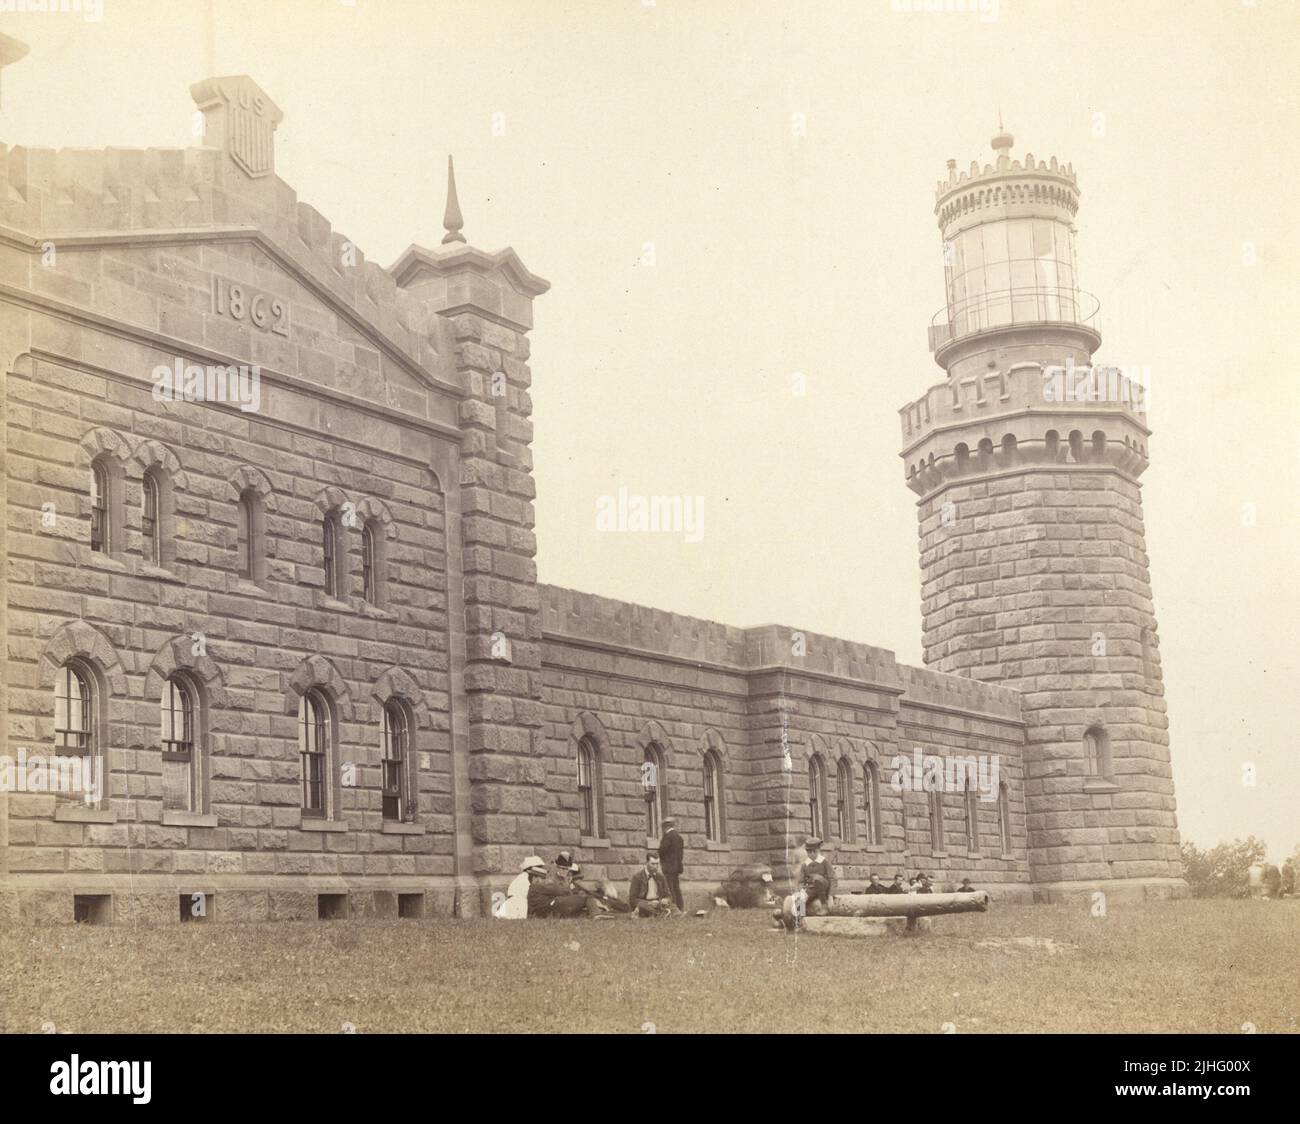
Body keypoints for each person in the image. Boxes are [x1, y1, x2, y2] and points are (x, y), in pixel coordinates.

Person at [527, 861, 599, 919]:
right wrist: (569, 886)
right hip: (554, 908)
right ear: (534, 878)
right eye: (542, 878)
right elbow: (561, 891)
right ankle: (596, 915)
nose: (544, 880)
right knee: (587, 897)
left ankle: (595, 914)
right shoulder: (538, 886)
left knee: (580, 912)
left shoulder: (531, 889)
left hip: (550, 912)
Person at [629, 852, 677, 918]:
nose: (655, 866)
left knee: (674, 906)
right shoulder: (637, 877)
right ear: (647, 863)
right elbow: (632, 899)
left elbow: (668, 895)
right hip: (645, 903)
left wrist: (666, 900)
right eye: (653, 864)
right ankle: (663, 913)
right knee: (643, 906)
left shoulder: (661, 877)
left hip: (658, 903)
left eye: (657, 864)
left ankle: (662, 913)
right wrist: (649, 903)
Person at [795, 838, 836, 914]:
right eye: (809, 852)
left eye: (815, 851)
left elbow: (833, 878)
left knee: (817, 879)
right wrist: (801, 891)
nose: (812, 854)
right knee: (799, 901)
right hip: (811, 889)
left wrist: (831, 896)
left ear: (819, 851)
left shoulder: (824, 862)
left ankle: (824, 906)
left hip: (824, 887)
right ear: (807, 852)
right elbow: (800, 881)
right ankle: (800, 917)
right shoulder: (805, 865)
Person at [658, 816, 685, 911]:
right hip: (677, 867)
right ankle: (680, 907)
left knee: (670, 888)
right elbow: (680, 854)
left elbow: (662, 850)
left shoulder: (668, 837)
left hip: (668, 867)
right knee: (676, 888)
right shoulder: (679, 837)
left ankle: (674, 908)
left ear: (665, 827)